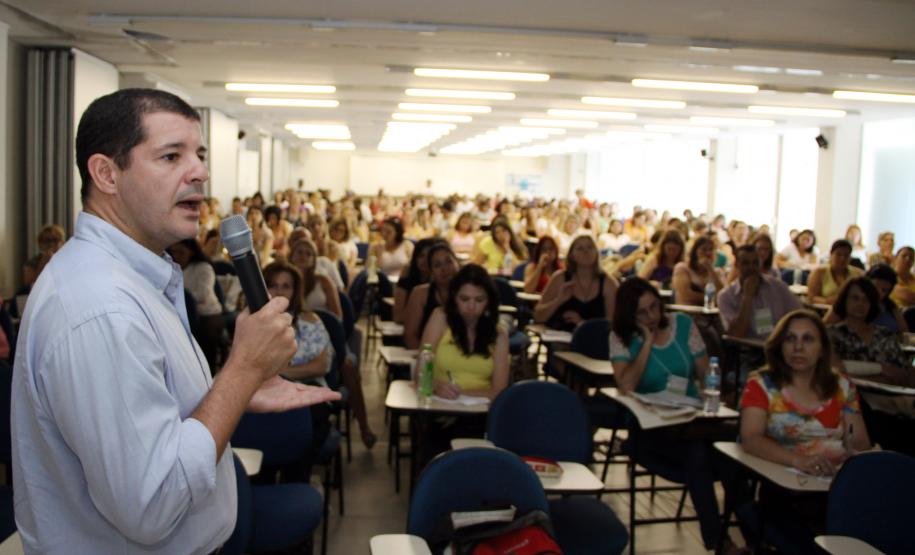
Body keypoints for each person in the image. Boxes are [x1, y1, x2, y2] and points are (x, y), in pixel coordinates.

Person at [11, 88, 338, 554]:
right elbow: (152, 504)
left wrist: (237, 389)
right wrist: (243, 369)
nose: (200, 171)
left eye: (200, 155)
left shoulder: (134, 279)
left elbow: (153, 423)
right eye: (171, 156)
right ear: (106, 173)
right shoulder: (99, 309)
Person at [610, 278, 737, 551]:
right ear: (630, 316)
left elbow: (705, 375)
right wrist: (645, 342)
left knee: (730, 456)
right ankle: (720, 541)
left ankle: (751, 536)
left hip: (691, 421)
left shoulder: (683, 324)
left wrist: (710, 399)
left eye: (655, 307)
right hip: (652, 430)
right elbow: (626, 385)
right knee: (699, 455)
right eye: (642, 312)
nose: (652, 316)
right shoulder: (620, 337)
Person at [738, 310, 871, 550]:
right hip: (785, 483)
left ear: (822, 348)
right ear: (780, 345)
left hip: (835, 485)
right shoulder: (761, 384)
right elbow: (751, 439)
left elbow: (860, 441)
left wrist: (850, 463)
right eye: (790, 339)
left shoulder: (842, 386)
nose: (798, 347)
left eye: (808, 339)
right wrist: (799, 460)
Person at [534, 235, 617, 332]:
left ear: (596, 253)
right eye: (580, 248)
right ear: (571, 255)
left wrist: (583, 323)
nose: (586, 252)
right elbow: (538, 316)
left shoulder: (608, 283)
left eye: (590, 247)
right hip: (560, 336)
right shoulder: (559, 278)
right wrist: (558, 300)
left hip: (596, 339)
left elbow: (613, 324)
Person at [718, 245, 802, 339]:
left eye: (755, 263)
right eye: (745, 263)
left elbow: (799, 314)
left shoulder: (778, 287)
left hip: (780, 344)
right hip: (748, 349)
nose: (751, 267)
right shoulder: (726, 296)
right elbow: (736, 333)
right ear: (737, 265)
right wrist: (747, 296)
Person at [167, 238, 226, 370]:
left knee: (204, 340)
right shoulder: (171, 267)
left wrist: (181, 297)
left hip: (208, 315)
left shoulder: (204, 268)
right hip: (183, 314)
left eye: (181, 252)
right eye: (174, 252)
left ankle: (208, 370)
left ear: (192, 252)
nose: (177, 256)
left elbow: (202, 293)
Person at [403, 243, 460, 349]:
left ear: (457, 263)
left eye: (449, 262)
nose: (444, 268)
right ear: (431, 272)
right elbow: (410, 336)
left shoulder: (469, 293)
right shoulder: (420, 294)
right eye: (437, 265)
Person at [289, 238, 343, 320]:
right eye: (299, 252)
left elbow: (337, 316)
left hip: (320, 327)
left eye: (308, 254)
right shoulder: (284, 281)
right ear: (291, 256)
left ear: (314, 260)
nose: (303, 256)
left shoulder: (324, 281)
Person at [393, 238, 444, 323]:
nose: (424, 260)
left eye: (428, 256)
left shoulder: (441, 281)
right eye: (421, 256)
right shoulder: (407, 276)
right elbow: (398, 317)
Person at [806, 239, 864, 305]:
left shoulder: (859, 274)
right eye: (838, 254)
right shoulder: (819, 273)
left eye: (846, 255)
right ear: (831, 254)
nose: (842, 258)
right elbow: (811, 297)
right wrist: (827, 301)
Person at [672, 236, 725, 306]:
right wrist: (711, 298)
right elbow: (685, 294)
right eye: (704, 249)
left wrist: (710, 269)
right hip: (688, 310)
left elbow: (723, 294)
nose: (708, 253)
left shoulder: (718, 272)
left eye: (711, 249)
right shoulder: (682, 268)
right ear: (695, 252)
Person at [21, 224, 66, 291]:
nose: (51, 244)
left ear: (62, 242)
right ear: (40, 244)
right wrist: (44, 262)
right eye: (47, 240)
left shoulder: (68, 260)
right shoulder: (33, 262)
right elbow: (29, 284)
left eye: (55, 240)